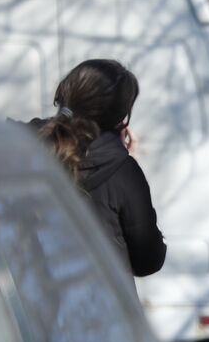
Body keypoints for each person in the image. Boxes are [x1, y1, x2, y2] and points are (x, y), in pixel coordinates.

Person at [29, 59, 166, 277]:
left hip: (35, 304)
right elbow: (148, 261)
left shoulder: (20, 144)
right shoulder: (123, 173)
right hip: (102, 306)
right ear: (120, 118)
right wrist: (123, 157)